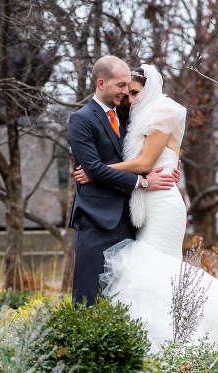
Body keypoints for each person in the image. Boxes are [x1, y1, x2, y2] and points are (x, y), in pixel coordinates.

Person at [75, 64, 218, 373]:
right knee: (155, 279)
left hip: (163, 204)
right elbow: (141, 161)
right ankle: (172, 354)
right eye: (127, 93)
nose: (129, 98)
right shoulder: (134, 117)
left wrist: (97, 169)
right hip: (146, 201)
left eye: (134, 92)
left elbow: (144, 161)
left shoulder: (165, 111)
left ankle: (182, 351)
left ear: (149, 89)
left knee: (150, 272)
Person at [67, 56, 179, 307]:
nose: (125, 92)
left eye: (128, 86)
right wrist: (141, 181)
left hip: (130, 220)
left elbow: (147, 153)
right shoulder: (81, 120)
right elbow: (93, 168)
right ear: (101, 83)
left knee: (125, 296)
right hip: (96, 219)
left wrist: (170, 168)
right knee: (88, 296)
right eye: (120, 86)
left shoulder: (130, 116)